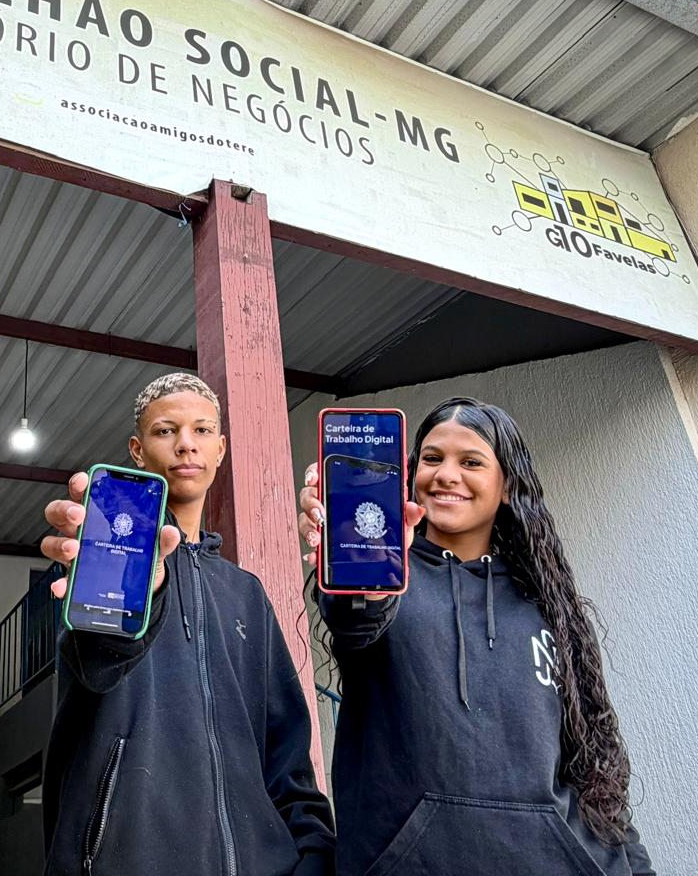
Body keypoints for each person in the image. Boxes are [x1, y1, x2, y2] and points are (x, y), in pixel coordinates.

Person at [297, 397, 656, 876]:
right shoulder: (386, 584)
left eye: (470, 462)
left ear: (507, 486)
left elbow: (589, 764)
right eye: (432, 458)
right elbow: (355, 619)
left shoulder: (549, 604)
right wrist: (357, 558)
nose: (446, 475)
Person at [41, 372, 335, 876]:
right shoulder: (106, 561)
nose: (185, 444)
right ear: (137, 450)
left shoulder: (246, 594)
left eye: (202, 430)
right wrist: (138, 585)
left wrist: (313, 856)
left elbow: (287, 752)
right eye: (165, 431)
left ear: (220, 449)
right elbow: (97, 662)